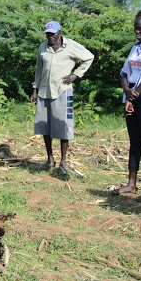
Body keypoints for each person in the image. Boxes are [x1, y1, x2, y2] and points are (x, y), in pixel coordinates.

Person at [30, 21, 94, 173]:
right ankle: (50, 159)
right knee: (45, 127)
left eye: (52, 34)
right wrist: (35, 89)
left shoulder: (70, 46)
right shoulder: (42, 47)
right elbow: (39, 69)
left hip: (62, 91)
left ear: (59, 32)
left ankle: (63, 162)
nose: (50, 37)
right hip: (45, 91)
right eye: (47, 34)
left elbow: (89, 57)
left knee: (63, 128)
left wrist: (76, 75)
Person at [113, 10, 141, 196]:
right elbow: (124, 72)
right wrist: (127, 91)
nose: (137, 32)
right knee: (134, 141)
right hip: (132, 97)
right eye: (135, 29)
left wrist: (135, 94)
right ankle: (131, 184)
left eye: (140, 29)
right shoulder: (136, 47)